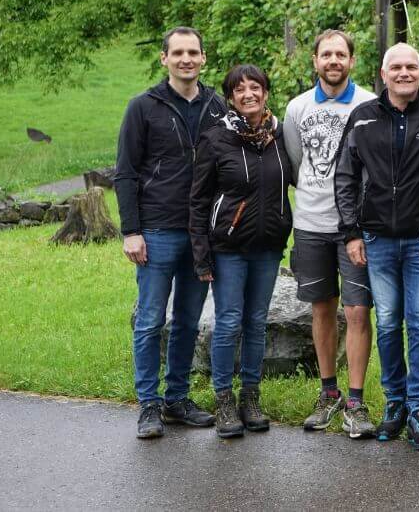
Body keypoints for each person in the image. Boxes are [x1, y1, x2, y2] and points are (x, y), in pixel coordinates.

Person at [334, 43, 419, 451]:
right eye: (396, 67)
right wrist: (351, 232)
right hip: (376, 239)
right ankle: (394, 403)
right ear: (383, 73)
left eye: (411, 66)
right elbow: (346, 177)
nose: (404, 73)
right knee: (388, 322)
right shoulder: (363, 117)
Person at [115, 26, 227, 439]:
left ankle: (176, 398)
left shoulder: (218, 106)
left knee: (187, 320)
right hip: (158, 230)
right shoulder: (143, 107)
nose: (186, 59)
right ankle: (149, 404)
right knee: (149, 320)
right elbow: (125, 173)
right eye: (177, 52)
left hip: (203, 234)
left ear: (203, 58)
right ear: (164, 59)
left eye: (192, 52)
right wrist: (131, 231)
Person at [189, 64, 295, 439]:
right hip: (228, 248)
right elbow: (199, 201)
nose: (248, 94)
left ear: (266, 92)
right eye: (239, 89)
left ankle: (251, 396)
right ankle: (223, 400)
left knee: (256, 321)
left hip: (268, 247)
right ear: (230, 97)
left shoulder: (280, 135)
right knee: (229, 321)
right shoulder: (216, 138)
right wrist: (201, 254)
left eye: (255, 87)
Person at [282, 30, 378, 437]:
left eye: (341, 54)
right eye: (326, 54)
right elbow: (297, 159)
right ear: (315, 61)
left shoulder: (371, 103)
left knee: (357, 311)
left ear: (351, 61)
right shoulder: (297, 108)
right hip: (311, 225)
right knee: (322, 309)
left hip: (356, 228)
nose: (333, 61)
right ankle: (329, 392)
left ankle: (356, 401)